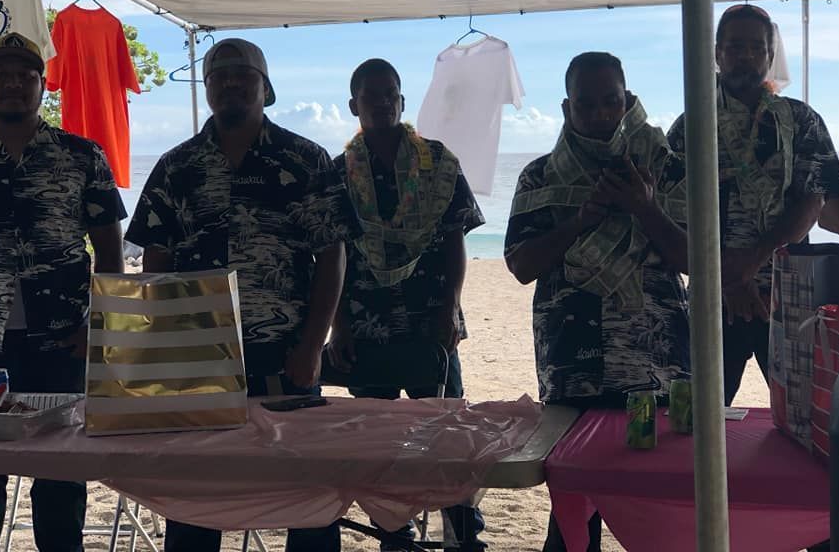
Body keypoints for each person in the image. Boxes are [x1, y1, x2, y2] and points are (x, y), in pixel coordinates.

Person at [125, 38, 359, 552]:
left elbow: (332, 257)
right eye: (217, 75)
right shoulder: (176, 166)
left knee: (308, 497)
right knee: (196, 501)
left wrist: (312, 346)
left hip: (287, 353)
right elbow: (157, 262)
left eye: (242, 73)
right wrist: (157, 354)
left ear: (266, 86)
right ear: (206, 88)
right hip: (195, 360)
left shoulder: (304, 159)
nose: (229, 82)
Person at [505, 52, 690, 552]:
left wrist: (644, 206)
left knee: (656, 500)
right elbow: (521, 265)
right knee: (572, 505)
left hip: (654, 368)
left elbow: (695, 258)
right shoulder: (539, 177)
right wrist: (581, 220)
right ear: (567, 109)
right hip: (573, 364)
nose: (601, 115)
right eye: (586, 104)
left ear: (627, 101)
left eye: (611, 101)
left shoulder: (666, 168)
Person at [0, 32, 126, 552]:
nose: (13, 84)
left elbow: (110, 254)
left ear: (43, 86)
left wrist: (98, 329)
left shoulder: (83, 156)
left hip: (63, 340)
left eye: (25, 75)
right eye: (1, 75)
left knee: (62, 477)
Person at [327, 58, 487, 551]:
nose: (382, 102)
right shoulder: (336, 174)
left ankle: (463, 538)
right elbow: (331, 254)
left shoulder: (438, 163)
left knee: (449, 438)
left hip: (430, 321)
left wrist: (450, 307)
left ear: (402, 99)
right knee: (379, 443)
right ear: (353, 104)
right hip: (365, 324)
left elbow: (454, 239)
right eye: (370, 95)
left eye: (390, 93)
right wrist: (340, 325)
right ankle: (393, 537)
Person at [668, 4, 839, 405]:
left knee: (802, 410)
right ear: (716, 53)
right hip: (714, 296)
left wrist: (752, 261)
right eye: (734, 46)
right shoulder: (691, 126)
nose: (745, 56)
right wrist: (730, 279)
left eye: (755, 47)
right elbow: (676, 213)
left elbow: (813, 199)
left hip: (788, 295)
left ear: (769, 55)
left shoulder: (801, 120)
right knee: (702, 417)